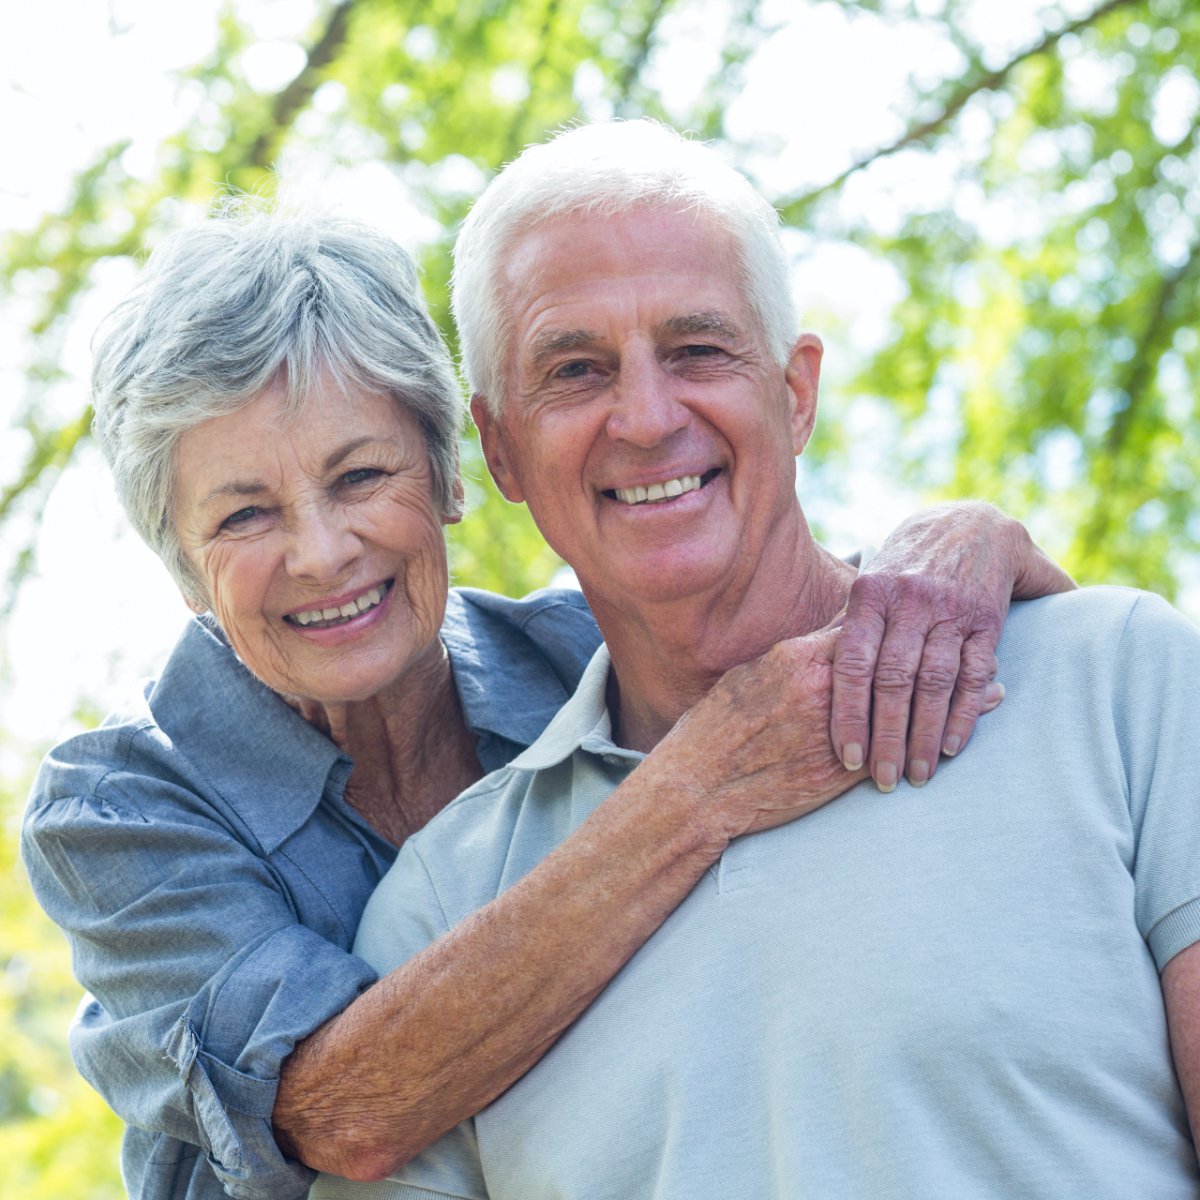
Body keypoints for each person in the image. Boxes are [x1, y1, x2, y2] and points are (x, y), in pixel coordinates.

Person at [20, 207, 1067, 1200]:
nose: (321, 552)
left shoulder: (580, 653)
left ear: (451, 477)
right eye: (246, 515)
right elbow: (343, 1115)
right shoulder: (117, 806)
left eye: (359, 478)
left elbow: (829, 623)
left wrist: (965, 541)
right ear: (185, 569)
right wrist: (696, 788)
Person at [310, 119, 1200, 1200]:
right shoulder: (442, 910)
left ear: (795, 391)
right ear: (498, 450)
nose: (645, 417)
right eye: (576, 369)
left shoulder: (1121, 686)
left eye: (697, 350)